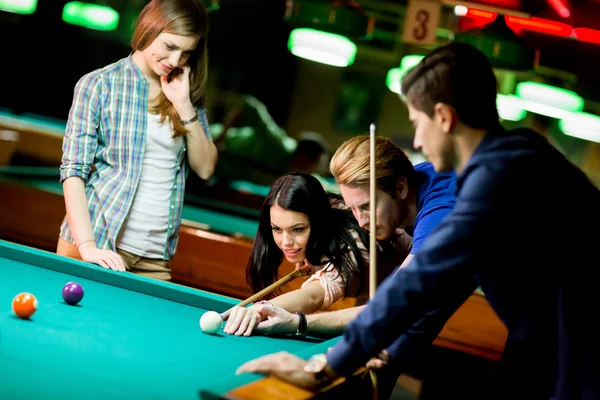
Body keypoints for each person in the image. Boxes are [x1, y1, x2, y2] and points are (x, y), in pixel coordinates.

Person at [236, 42, 600, 400]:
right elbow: (437, 290)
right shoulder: (510, 154)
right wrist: (390, 349)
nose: (419, 140)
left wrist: (326, 366)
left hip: (578, 343)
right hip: (548, 334)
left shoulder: (490, 181)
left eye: (417, 123)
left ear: (443, 117)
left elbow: (419, 284)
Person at [56, 0, 217, 281]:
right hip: (95, 243)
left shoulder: (185, 92)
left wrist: (184, 106)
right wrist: (87, 246)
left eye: (186, 52)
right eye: (170, 46)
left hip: (154, 258)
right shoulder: (98, 84)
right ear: (148, 29)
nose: (176, 61)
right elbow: (73, 173)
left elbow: (205, 168)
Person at [223, 172, 402, 336]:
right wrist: (311, 253)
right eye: (277, 229)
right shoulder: (326, 211)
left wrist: (261, 309)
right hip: (377, 296)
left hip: (415, 300)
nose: (286, 241)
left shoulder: (349, 248)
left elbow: (313, 295)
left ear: (318, 223)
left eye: (298, 229)